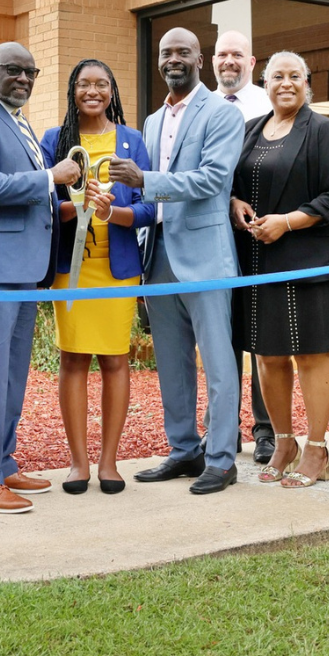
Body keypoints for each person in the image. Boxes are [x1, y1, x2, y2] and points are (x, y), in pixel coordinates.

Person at [0, 43, 81, 514]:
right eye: (13, 70)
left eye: (31, 72)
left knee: (10, 375)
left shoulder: (18, 120)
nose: (23, 78)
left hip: (23, 272)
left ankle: (2, 462)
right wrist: (51, 177)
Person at [110, 27, 244, 494]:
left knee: (218, 362)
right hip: (158, 253)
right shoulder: (150, 120)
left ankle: (223, 458)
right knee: (171, 361)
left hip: (205, 254)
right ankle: (184, 450)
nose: (173, 59)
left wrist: (147, 180)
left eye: (183, 52)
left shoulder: (221, 114)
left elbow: (212, 180)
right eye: (166, 53)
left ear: (199, 60)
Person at [230, 52, 329, 488]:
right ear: (265, 83)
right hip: (260, 260)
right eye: (277, 76)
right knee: (267, 355)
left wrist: (287, 221)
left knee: (311, 353)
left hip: (310, 259)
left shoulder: (323, 130)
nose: (286, 83)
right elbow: (232, 184)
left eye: (295, 76)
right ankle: (284, 443)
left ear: (308, 84)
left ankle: (317, 449)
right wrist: (233, 203)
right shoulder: (249, 131)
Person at [40, 59, 155, 495]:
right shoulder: (55, 140)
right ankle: (78, 464)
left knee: (114, 358)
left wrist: (114, 212)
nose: (93, 91)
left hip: (117, 268)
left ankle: (109, 462)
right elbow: (44, 204)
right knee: (72, 358)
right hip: (72, 271)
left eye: (101, 84)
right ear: (72, 90)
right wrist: (78, 207)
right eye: (84, 84)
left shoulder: (132, 140)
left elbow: (149, 204)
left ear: (112, 91)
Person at [212, 29, 274, 463]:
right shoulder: (203, 108)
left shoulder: (269, 106)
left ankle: (267, 430)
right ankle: (224, 429)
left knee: (264, 335)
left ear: (252, 63)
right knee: (224, 336)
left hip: (263, 235)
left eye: (237, 54)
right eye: (222, 54)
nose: (229, 61)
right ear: (212, 62)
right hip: (215, 238)